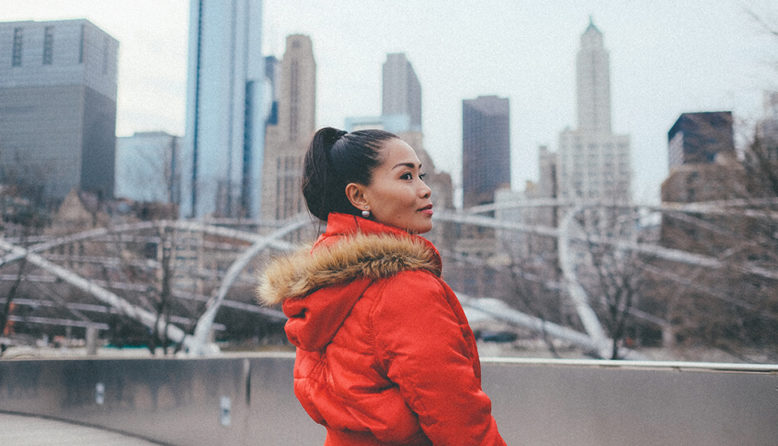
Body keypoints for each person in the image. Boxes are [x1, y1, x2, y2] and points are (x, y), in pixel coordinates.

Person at [258, 127, 506, 446]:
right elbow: (460, 421)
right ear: (359, 196)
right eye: (406, 177)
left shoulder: (324, 289)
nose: (425, 189)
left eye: (421, 175)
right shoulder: (404, 289)